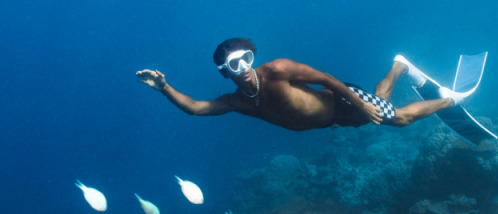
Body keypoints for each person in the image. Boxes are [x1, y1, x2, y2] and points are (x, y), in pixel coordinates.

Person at [135, 38, 476, 132]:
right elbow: (196, 109)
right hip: (338, 119)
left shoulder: (279, 69)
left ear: (253, 56)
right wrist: (165, 88)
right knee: (380, 100)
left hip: (344, 101)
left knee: (397, 119)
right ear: (225, 72)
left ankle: (449, 100)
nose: (242, 70)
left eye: (246, 59)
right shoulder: (237, 101)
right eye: (233, 66)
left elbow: (326, 79)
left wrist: (359, 104)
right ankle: (400, 66)